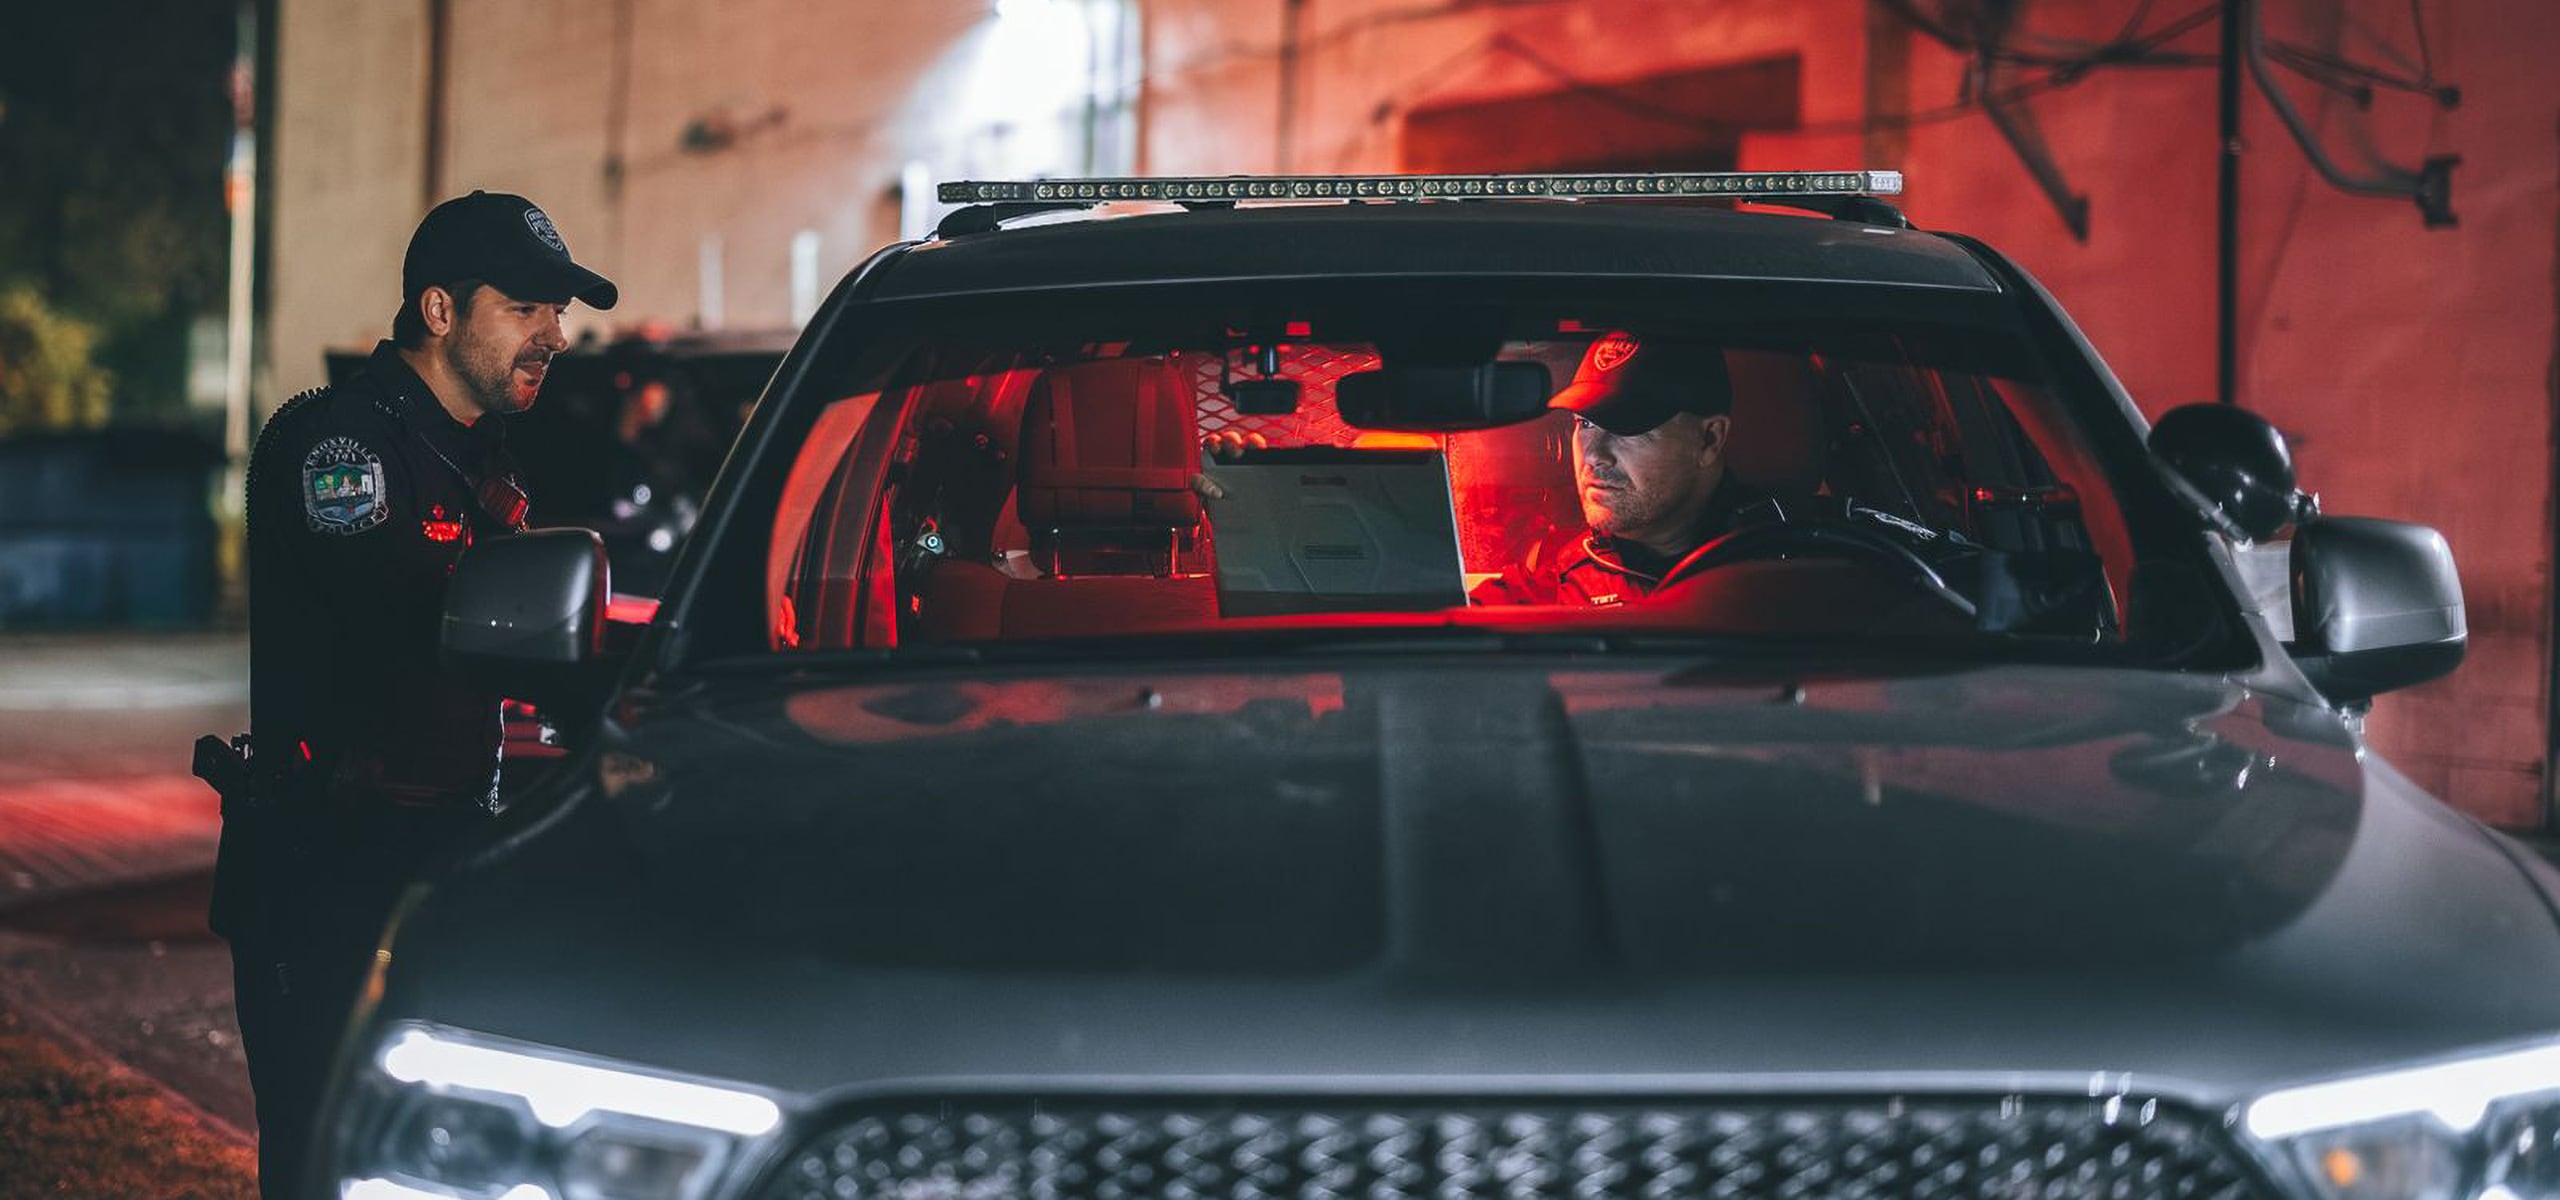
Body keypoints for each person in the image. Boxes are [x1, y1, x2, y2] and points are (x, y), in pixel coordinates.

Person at [209, 190, 615, 1197]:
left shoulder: (475, 452)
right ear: (439, 310)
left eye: (559, 313)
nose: (555, 336)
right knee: (332, 1158)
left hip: (439, 859)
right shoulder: (342, 450)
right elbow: (421, 623)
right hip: (330, 874)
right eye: (526, 308)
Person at [1473, 331, 1762, 606]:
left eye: (1628, 428)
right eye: (1585, 424)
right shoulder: (1561, 577)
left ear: (1709, 439)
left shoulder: (1777, 567)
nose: (1594, 456)